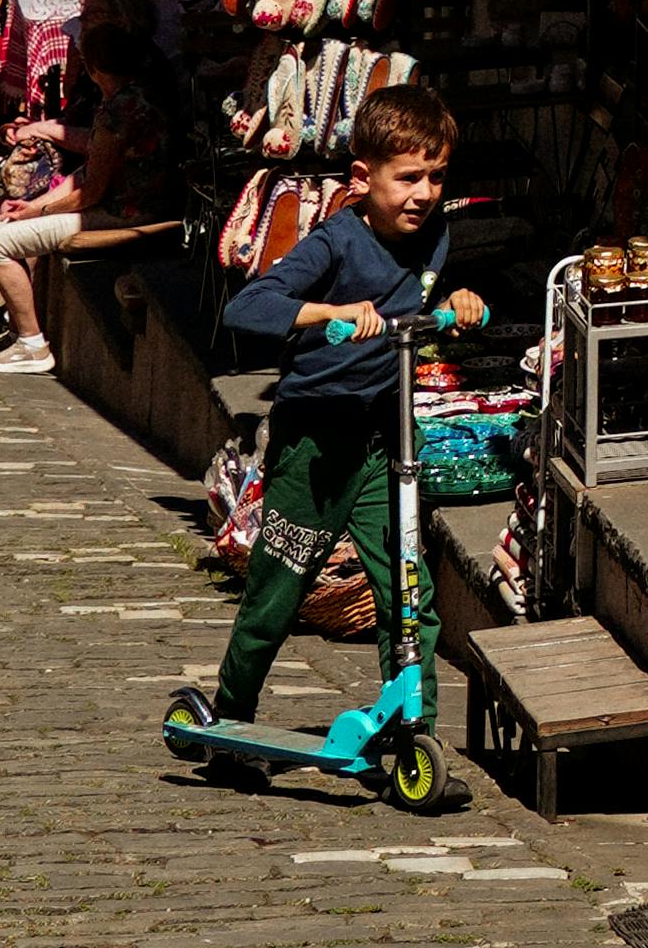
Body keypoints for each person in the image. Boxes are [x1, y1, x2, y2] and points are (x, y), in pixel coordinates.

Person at [204, 86, 486, 724]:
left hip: (385, 443)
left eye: (436, 177)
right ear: (363, 178)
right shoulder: (334, 241)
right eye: (408, 177)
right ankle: (229, 715)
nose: (424, 193)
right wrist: (330, 312)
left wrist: (461, 304)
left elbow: (417, 310)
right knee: (278, 592)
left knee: (408, 599)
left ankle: (414, 732)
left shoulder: (435, 235)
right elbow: (247, 308)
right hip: (314, 448)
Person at [0, 18, 171, 371]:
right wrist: (34, 205)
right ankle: (19, 333)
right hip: (129, 203)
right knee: (3, 229)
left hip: (127, 212)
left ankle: (32, 345)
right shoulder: (140, 97)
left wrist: (35, 213)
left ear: (94, 70)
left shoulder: (117, 113)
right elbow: (88, 173)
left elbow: (89, 192)